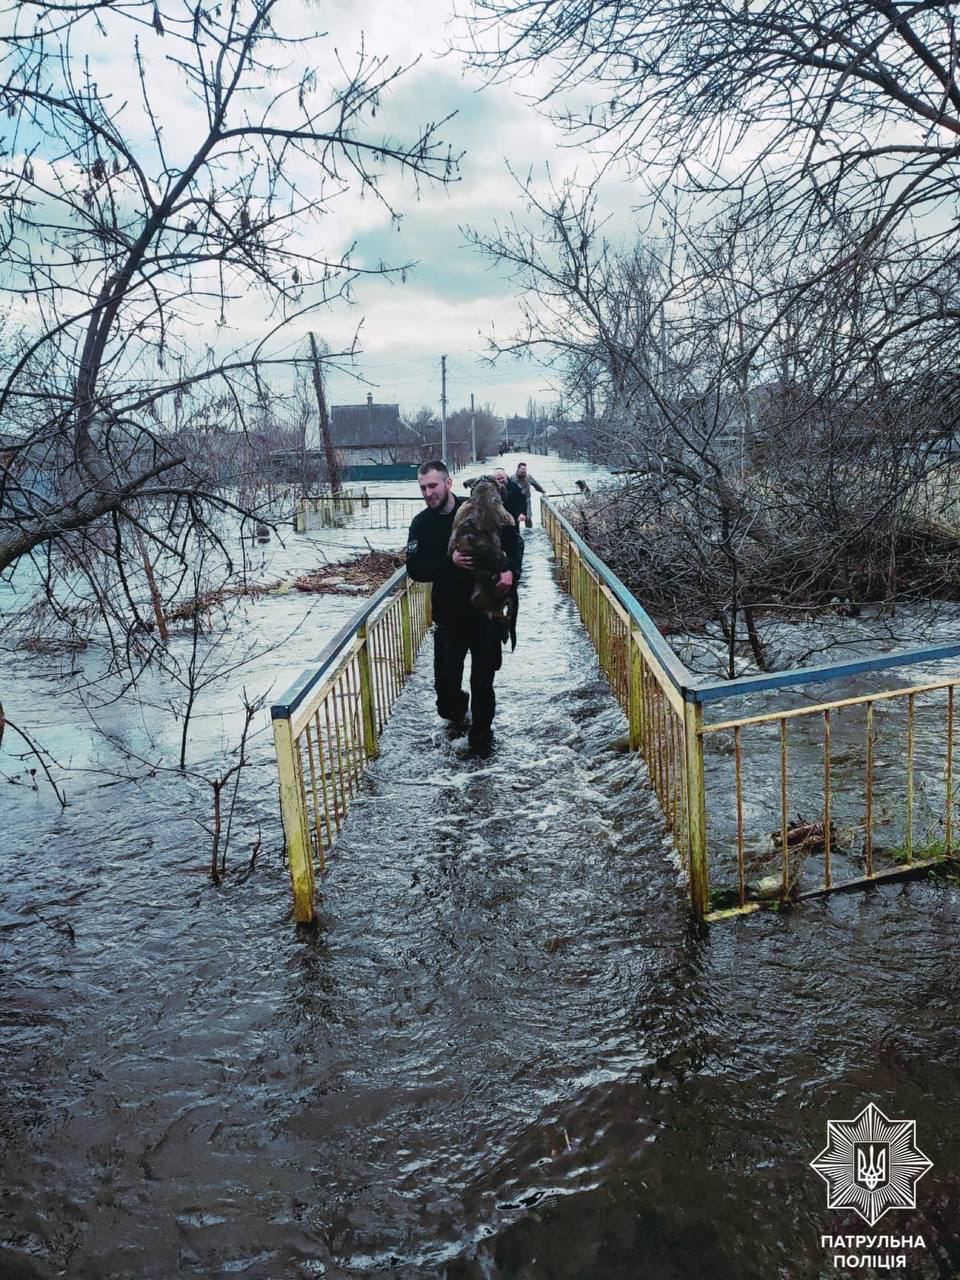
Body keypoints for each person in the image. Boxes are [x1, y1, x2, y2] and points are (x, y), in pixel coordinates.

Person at [406, 460, 522, 752]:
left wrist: (512, 572)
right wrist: (450, 562)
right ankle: (458, 712)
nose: (428, 492)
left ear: (448, 484)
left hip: (485, 617)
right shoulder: (422, 524)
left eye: (433, 485)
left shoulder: (481, 511)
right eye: (423, 488)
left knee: (483, 684)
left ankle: (481, 743)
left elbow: (515, 542)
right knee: (445, 697)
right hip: (449, 618)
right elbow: (415, 568)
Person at [513, 461, 546, 527]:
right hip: (516, 502)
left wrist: (543, 492)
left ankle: (529, 532)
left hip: (527, 501)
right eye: (522, 469)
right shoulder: (512, 479)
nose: (524, 471)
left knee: (528, 518)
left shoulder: (528, 477)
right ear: (518, 469)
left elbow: (536, 485)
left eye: (525, 469)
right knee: (516, 519)